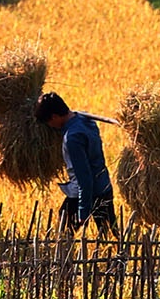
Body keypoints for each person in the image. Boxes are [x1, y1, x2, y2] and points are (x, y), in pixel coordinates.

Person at [35, 91, 119, 236]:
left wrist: (83, 211)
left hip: (88, 192)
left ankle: (63, 258)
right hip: (104, 187)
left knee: (65, 232)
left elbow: (84, 178)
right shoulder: (86, 120)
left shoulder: (73, 138)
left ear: (54, 117)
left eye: (49, 122)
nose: (51, 126)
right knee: (110, 235)